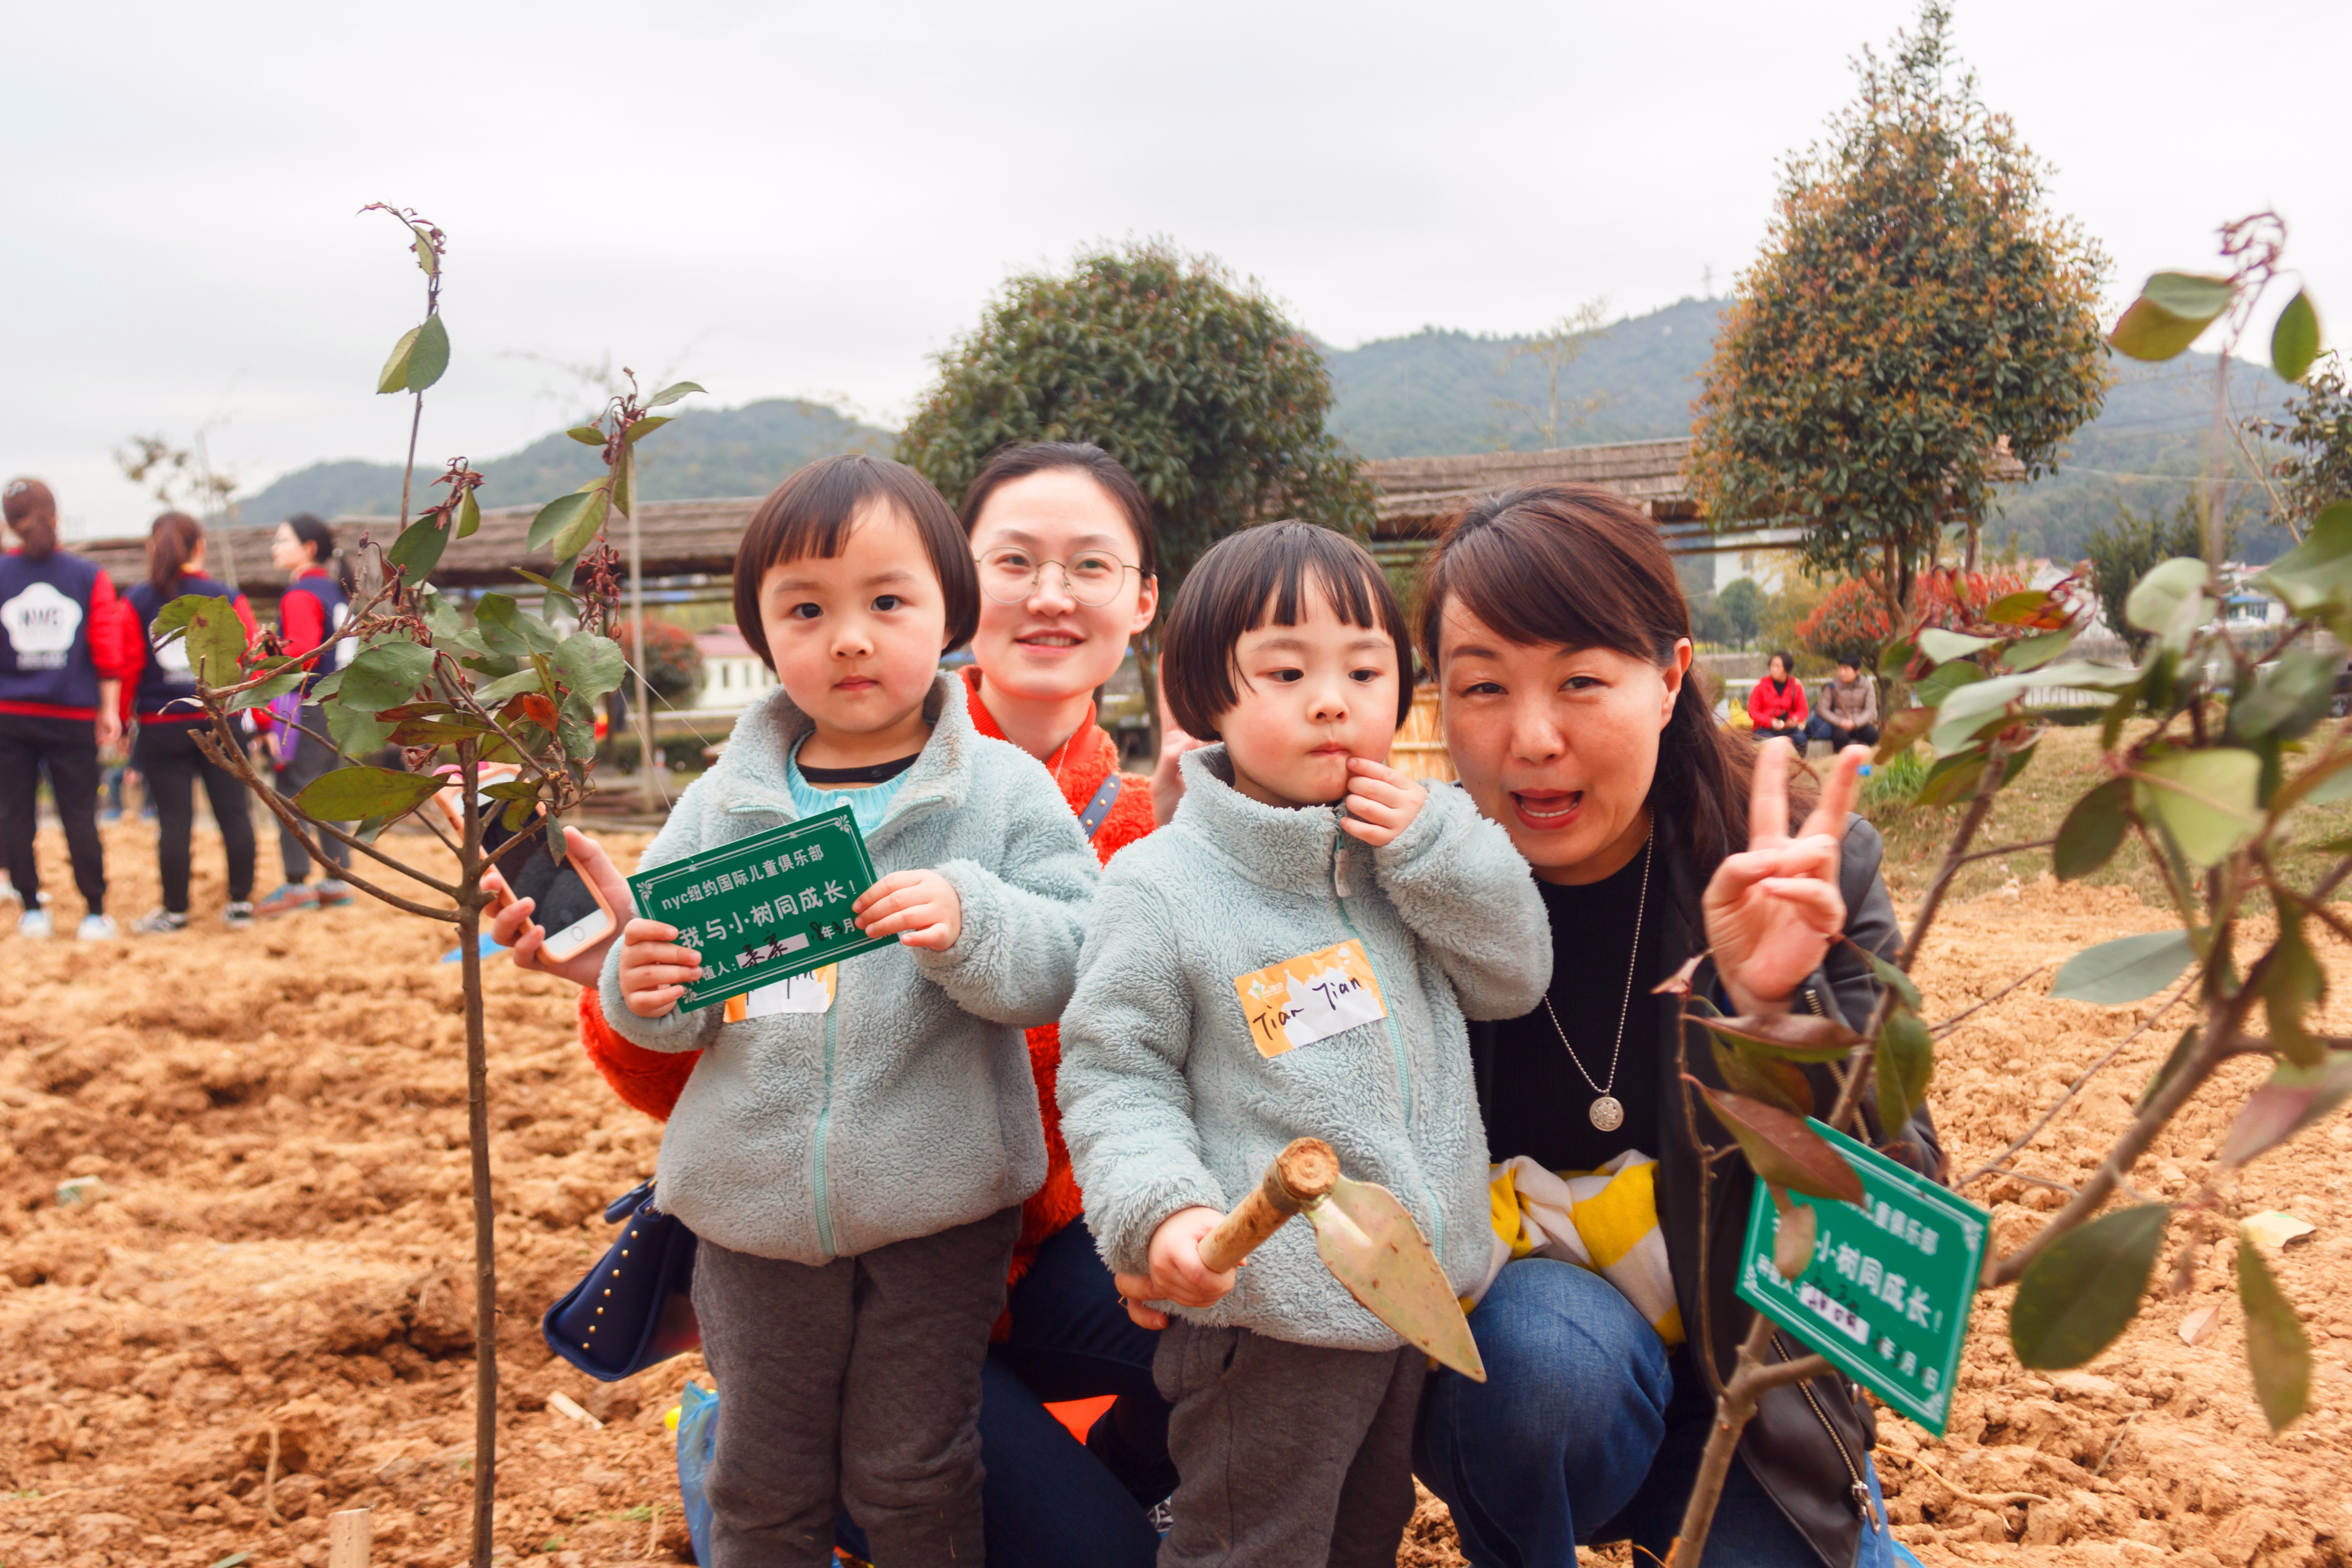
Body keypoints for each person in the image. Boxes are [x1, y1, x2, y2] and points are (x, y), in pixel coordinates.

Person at [499, 441, 1180, 1566]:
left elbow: (1076, 948)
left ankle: (1124, 1487)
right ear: (763, 633)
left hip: (952, 1221)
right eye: (806, 609)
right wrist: (629, 976)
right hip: (757, 1217)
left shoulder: (1017, 798)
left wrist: (972, 917)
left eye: (885, 600)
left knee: (914, 1467)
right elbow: (666, 1003)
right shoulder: (728, 799)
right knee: (767, 1474)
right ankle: (729, 1440)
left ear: (941, 611)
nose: (850, 635)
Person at [1404, 484, 1939, 1568]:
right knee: (1540, 1373)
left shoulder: (1793, 861)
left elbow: (1898, 1198)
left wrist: (1770, 1013)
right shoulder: (1407, 890)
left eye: (1581, 680)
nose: (1533, 736)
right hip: (1538, 1394)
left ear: (1669, 677)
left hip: (1747, 1394)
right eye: (1482, 687)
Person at [1058, 522, 1552, 1568]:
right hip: (1265, 1314)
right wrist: (1164, 1212)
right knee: (1252, 1542)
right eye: (1286, 670)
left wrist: (1437, 844)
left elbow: (1514, 972)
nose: (1332, 698)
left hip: (1404, 1296)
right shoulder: (1161, 885)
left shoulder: (1405, 854)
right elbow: (1116, 1073)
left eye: (1363, 669)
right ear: (1206, 697)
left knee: (1360, 1536)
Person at [0, 478, 137, 940]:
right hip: (72, 715)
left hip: (9, 716)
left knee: (14, 814)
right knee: (79, 814)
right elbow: (106, 649)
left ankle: (33, 910)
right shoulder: (88, 575)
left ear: (9, 523)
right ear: (55, 516)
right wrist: (111, 709)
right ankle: (94, 913)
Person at [119, 513, 261, 932]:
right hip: (221, 719)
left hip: (161, 723)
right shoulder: (225, 596)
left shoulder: (136, 600)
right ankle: (240, 907)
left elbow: (127, 666)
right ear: (200, 546)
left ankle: (175, 912)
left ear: (153, 546)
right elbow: (249, 658)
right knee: (234, 815)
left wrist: (125, 719)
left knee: (174, 821)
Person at [253, 514, 356, 916]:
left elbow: (300, 658)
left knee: (292, 791)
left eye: (283, 540)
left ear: (309, 548)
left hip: (304, 706)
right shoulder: (335, 592)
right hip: (339, 705)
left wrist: (264, 656)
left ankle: (296, 883)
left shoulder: (298, 595)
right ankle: (336, 878)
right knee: (329, 790)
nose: (275, 548)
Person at [1807, 658, 1880, 750]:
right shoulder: (1832, 686)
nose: (1842, 673)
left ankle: (1868, 761)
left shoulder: (1867, 685)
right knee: (1840, 738)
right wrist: (1840, 722)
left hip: (1860, 723)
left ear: (1857, 671)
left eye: (1846, 669)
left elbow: (1871, 710)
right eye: (1840, 669)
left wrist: (1855, 723)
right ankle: (1840, 761)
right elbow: (1822, 709)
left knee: (1872, 734)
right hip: (1840, 724)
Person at [1746, 649, 1808, 744]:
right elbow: (1753, 711)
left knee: (1801, 740)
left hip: (1788, 728)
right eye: (1772, 666)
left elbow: (1803, 709)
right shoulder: (1761, 685)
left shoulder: (1796, 685)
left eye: (1778, 667)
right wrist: (1770, 722)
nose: (1774, 669)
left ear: (1786, 669)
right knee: (1770, 743)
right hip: (1765, 728)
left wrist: (1795, 718)